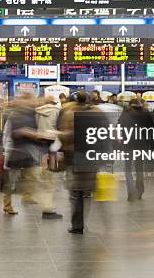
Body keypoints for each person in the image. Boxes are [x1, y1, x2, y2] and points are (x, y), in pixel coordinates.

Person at [58, 91, 100, 234]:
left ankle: (77, 225)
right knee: (86, 190)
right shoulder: (97, 112)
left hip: (75, 156)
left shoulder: (70, 113)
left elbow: (67, 136)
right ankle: (83, 220)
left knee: (76, 192)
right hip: (92, 155)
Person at [2, 93, 44, 215]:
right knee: (10, 181)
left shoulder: (32, 115)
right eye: (30, 101)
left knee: (32, 175)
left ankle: (27, 196)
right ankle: (7, 204)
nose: (33, 103)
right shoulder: (15, 116)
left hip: (27, 151)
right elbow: (10, 134)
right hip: (14, 150)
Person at [35, 96, 63, 219]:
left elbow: (36, 123)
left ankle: (43, 169)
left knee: (43, 153)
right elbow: (58, 124)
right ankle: (50, 170)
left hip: (41, 134)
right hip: (52, 135)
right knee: (53, 154)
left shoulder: (38, 110)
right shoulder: (57, 110)